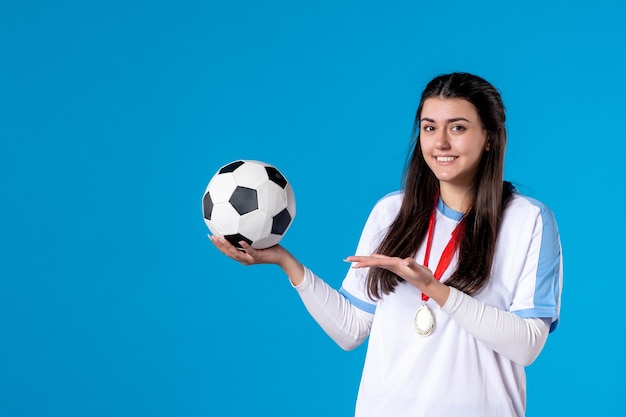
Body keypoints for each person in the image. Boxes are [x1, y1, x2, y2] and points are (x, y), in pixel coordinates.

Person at [209, 72, 563, 417]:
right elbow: (350, 329)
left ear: (489, 137)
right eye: (429, 127)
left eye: (457, 127)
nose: (440, 143)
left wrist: (435, 290)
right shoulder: (391, 211)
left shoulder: (527, 220)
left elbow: (527, 345)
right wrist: (285, 261)